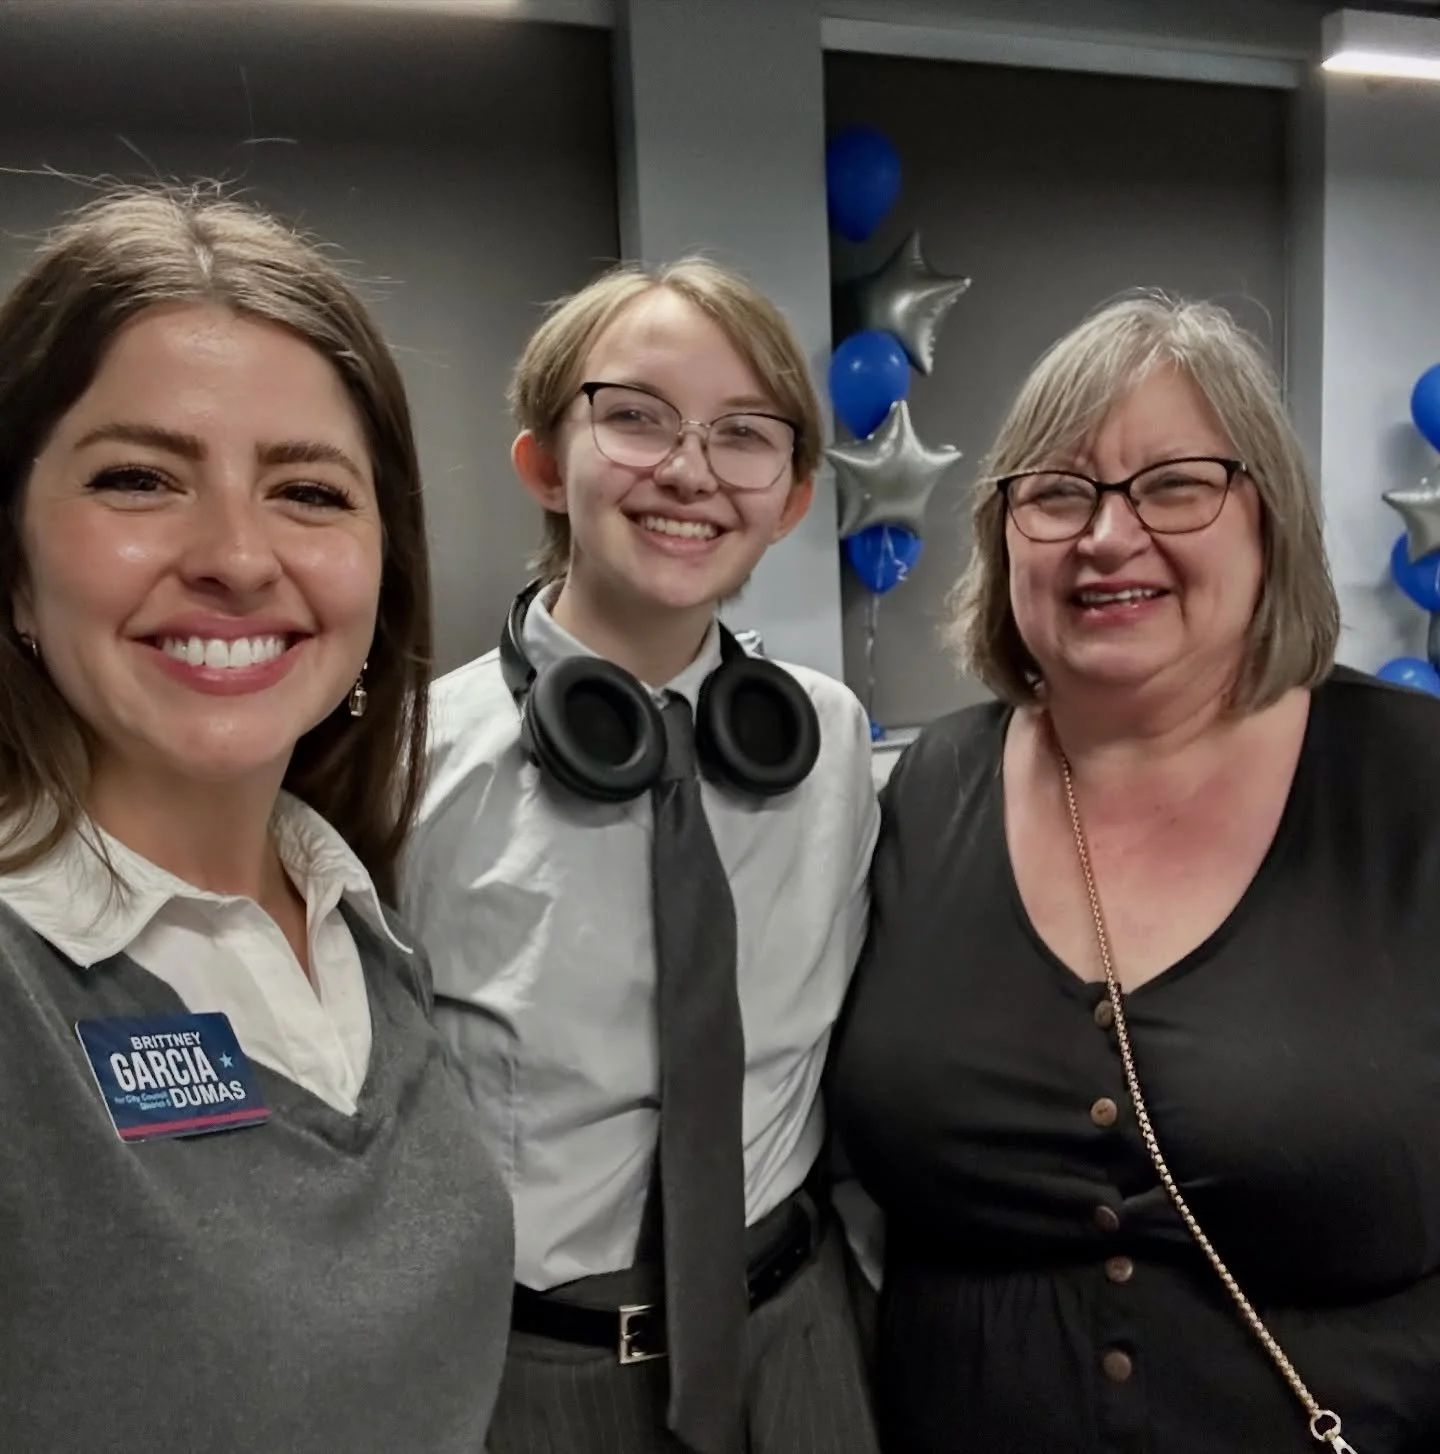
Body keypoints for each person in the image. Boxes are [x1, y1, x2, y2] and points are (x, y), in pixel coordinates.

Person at [828, 294, 1440, 1454]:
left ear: (1272, 520)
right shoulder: (924, 788)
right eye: (1058, 493)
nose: (1109, 535)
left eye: (1175, 484)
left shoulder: (1413, 790)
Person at [0, 187, 512, 1452]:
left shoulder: (354, 911)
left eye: (310, 492)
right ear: (11, 563)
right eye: (138, 477)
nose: (237, 553)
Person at [403, 258, 881, 1454]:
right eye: (634, 415)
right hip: (531, 1381)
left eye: (744, 434)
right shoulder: (409, 768)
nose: (690, 468)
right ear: (542, 464)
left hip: (798, 1343)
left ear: (793, 494)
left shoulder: (827, 742)